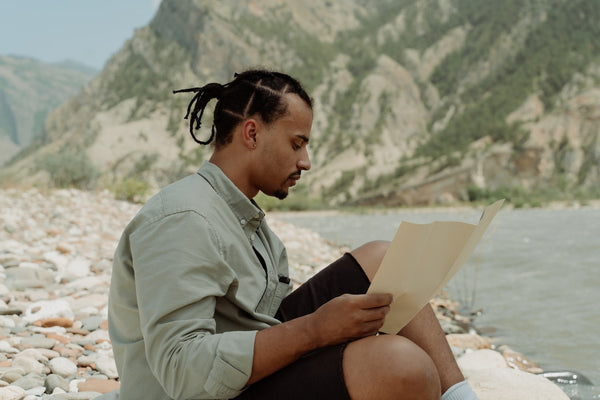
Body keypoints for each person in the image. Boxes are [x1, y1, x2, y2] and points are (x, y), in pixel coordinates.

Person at [108, 69, 479, 400]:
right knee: (401, 366)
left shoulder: (244, 219)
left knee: (386, 259)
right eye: (296, 143)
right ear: (251, 133)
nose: (306, 162)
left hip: (248, 377)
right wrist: (315, 332)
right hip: (202, 393)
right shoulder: (184, 218)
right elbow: (180, 372)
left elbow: (263, 324)